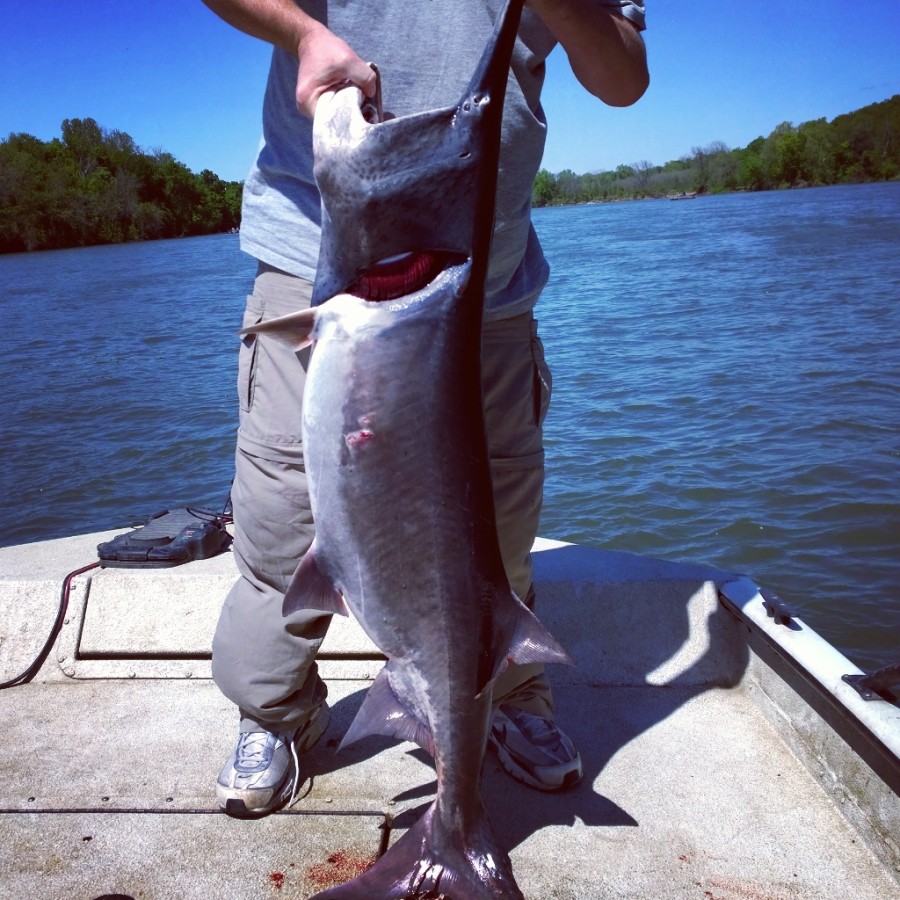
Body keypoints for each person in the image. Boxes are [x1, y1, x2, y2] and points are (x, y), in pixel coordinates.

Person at [201, 0, 649, 817]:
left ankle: (506, 699)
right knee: (281, 523)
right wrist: (303, 33)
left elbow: (624, 78)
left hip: (485, 280)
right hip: (315, 256)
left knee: (494, 536)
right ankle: (274, 711)